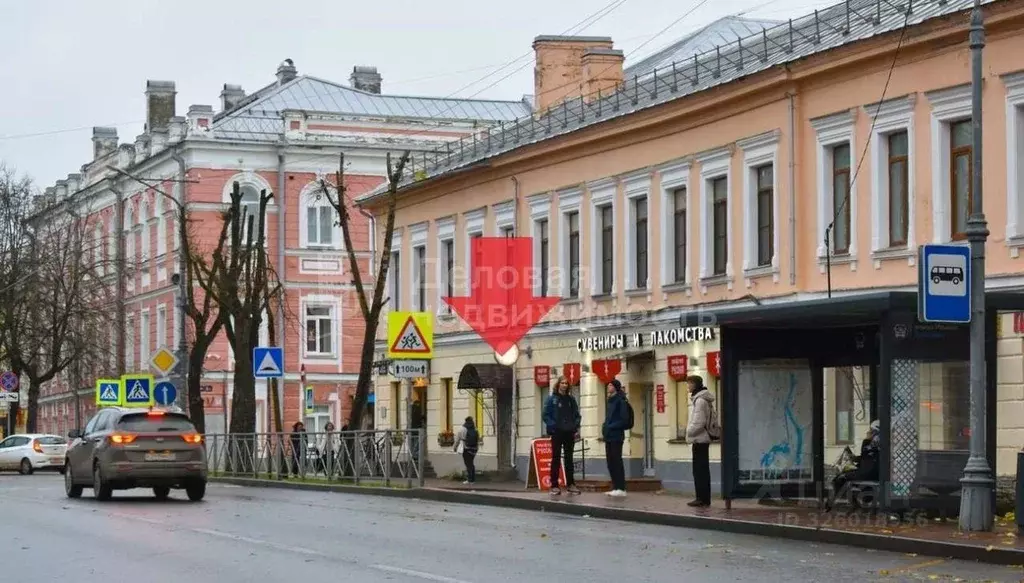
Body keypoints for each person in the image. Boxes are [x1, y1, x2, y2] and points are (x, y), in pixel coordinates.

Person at [825, 420, 881, 511]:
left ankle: (831, 504)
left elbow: (868, 459)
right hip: (871, 473)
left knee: (840, 478)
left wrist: (866, 440)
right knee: (844, 477)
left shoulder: (869, 443)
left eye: (871, 430)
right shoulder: (878, 443)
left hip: (866, 474)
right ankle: (855, 502)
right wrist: (854, 458)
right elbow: (867, 458)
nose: (869, 432)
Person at [542, 375, 582, 495]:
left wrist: (574, 426)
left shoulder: (571, 400)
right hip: (557, 432)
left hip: (569, 432)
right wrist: (553, 426)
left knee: (569, 458)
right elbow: (545, 415)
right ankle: (554, 485)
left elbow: (577, 415)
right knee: (556, 458)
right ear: (558, 384)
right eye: (562, 383)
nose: (564, 385)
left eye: (566, 383)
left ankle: (571, 484)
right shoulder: (552, 399)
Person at [685, 375, 715, 507]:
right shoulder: (703, 399)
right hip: (703, 438)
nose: (688, 386)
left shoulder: (700, 401)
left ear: (695, 385)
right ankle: (704, 498)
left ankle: (701, 498)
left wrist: (688, 432)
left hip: (700, 439)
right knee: (702, 470)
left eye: (689, 383)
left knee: (699, 470)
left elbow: (699, 422)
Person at [602, 379, 630, 497]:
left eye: (611, 385)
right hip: (608, 436)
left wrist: (610, 426)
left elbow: (624, 420)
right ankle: (615, 487)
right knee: (610, 462)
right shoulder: (610, 401)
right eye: (608, 385)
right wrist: (605, 428)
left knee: (616, 461)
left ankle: (621, 488)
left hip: (616, 436)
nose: (608, 387)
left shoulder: (621, 401)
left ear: (616, 387)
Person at [453, 416, 480, 485]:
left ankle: (470, 480)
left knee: (468, 464)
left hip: (466, 448)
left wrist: (455, 448)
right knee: (471, 463)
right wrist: (477, 448)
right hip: (474, 449)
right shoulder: (475, 429)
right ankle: (472, 479)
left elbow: (457, 440)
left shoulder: (462, 429)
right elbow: (478, 439)